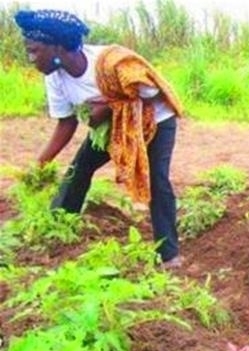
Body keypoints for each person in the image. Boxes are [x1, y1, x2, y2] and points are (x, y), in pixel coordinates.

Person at [14, 9, 185, 268]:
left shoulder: (109, 62)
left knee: (155, 179)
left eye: (35, 50)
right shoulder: (55, 78)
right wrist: (41, 164)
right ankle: (59, 229)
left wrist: (107, 105)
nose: (30, 58)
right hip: (112, 127)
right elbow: (67, 123)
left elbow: (151, 90)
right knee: (79, 169)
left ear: (58, 47)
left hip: (155, 121)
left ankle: (169, 255)